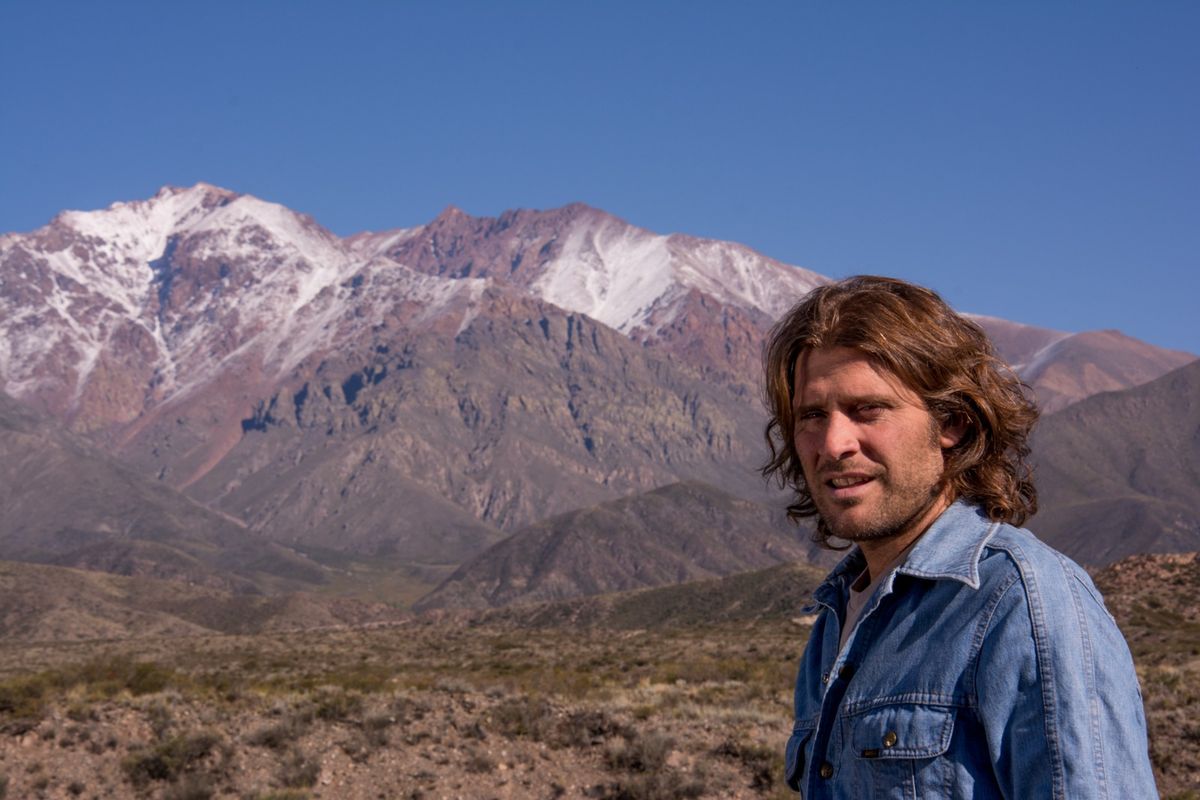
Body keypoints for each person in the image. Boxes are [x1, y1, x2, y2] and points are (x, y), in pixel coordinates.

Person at [761, 276, 1157, 798]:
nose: (834, 444)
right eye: (813, 415)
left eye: (867, 410)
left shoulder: (1024, 605)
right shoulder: (835, 619)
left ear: (952, 422)